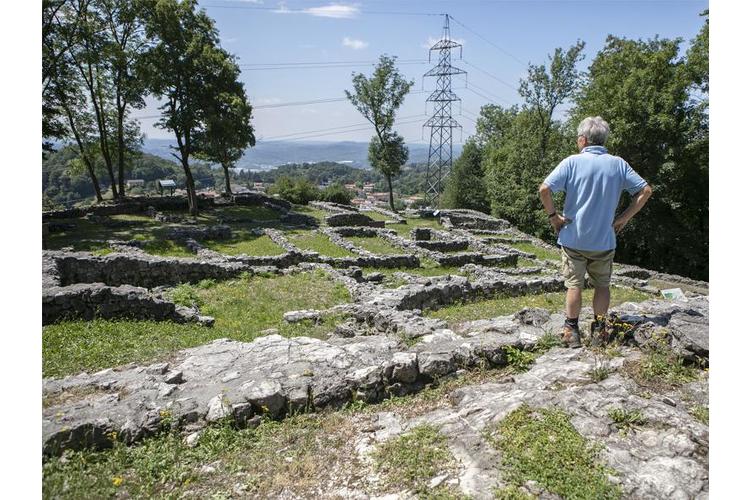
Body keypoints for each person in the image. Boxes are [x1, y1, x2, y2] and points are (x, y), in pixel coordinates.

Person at [539, 116, 652, 348]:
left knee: (574, 285)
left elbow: (544, 189)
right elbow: (645, 191)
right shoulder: (618, 164)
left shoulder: (572, 162)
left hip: (573, 238)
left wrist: (554, 217)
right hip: (604, 240)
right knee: (602, 285)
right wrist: (623, 218)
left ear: (582, 139)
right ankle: (599, 331)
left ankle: (571, 330)